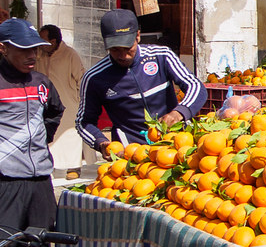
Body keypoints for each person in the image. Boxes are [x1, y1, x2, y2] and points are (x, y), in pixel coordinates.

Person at [77, 9, 208, 153]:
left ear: (137, 36)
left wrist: (179, 113)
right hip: (131, 155)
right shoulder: (94, 77)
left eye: (128, 48)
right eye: (115, 50)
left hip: (177, 146)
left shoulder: (162, 56)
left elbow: (196, 87)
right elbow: (84, 122)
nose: (123, 56)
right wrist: (100, 143)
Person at [0, 18, 64, 247]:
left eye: (35, 49)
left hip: (40, 185)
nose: (32, 56)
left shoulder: (41, 83)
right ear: (3, 48)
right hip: (6, 184)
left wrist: (39, 143)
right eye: (24, 50)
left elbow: (55, 112)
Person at [36, 25, 86, 179]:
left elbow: (81, 78)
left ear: (53, 41)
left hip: (68, 101)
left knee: (70, 134)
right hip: (44, 101)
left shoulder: (70, 54)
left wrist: (81, 99)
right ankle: (50, 165)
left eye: (43, 40)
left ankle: (73, 167)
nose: (40, 43)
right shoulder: (38, 54)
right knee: (48, 134)